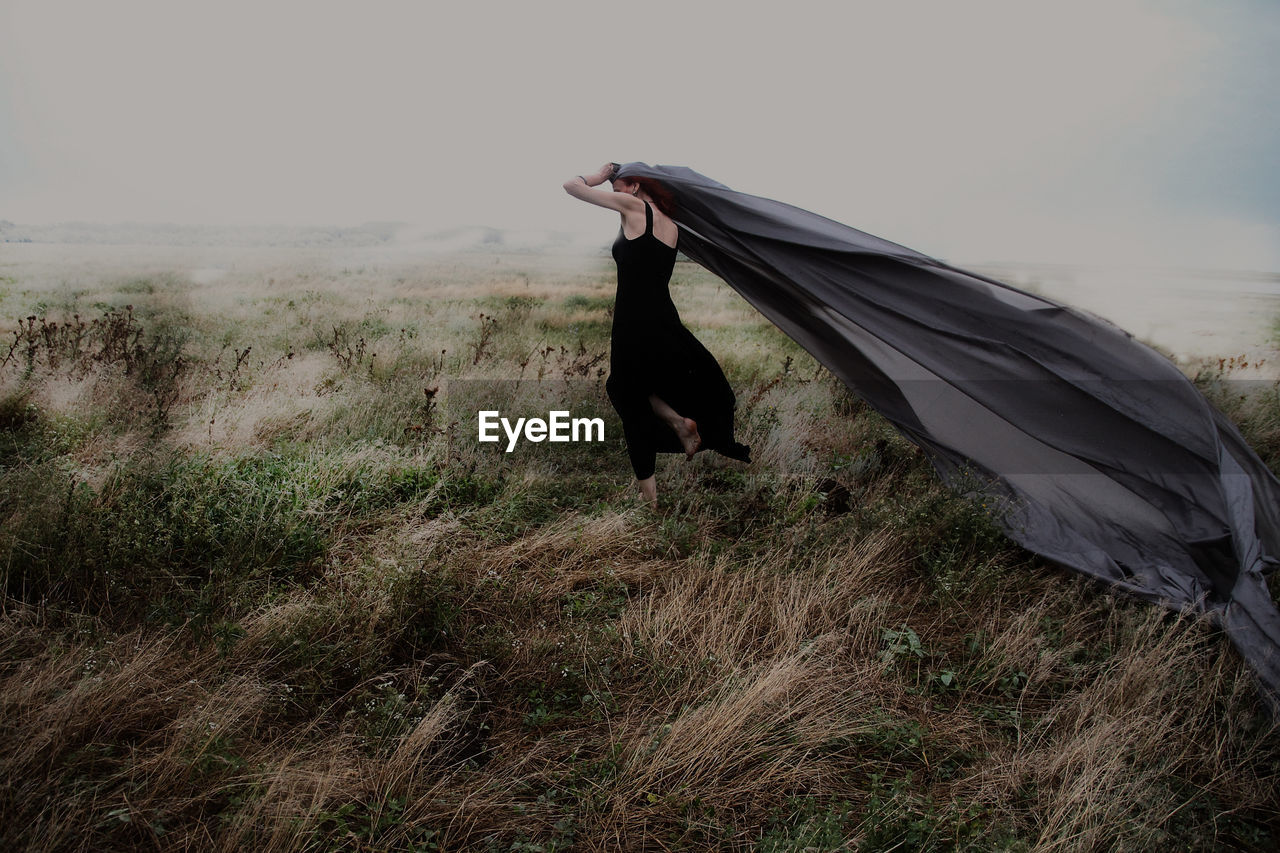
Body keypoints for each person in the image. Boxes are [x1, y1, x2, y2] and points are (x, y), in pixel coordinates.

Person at [563, 162, 751, 506]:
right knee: (632, 386)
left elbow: (572, 186)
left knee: (627, 395)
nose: (614, 192)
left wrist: (603, 172)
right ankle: (680, 425)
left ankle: (650, 500)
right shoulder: (672, 226)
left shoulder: (634, 206)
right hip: (663, 316)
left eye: (618, 185)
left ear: (635, 186)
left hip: (635, 319)